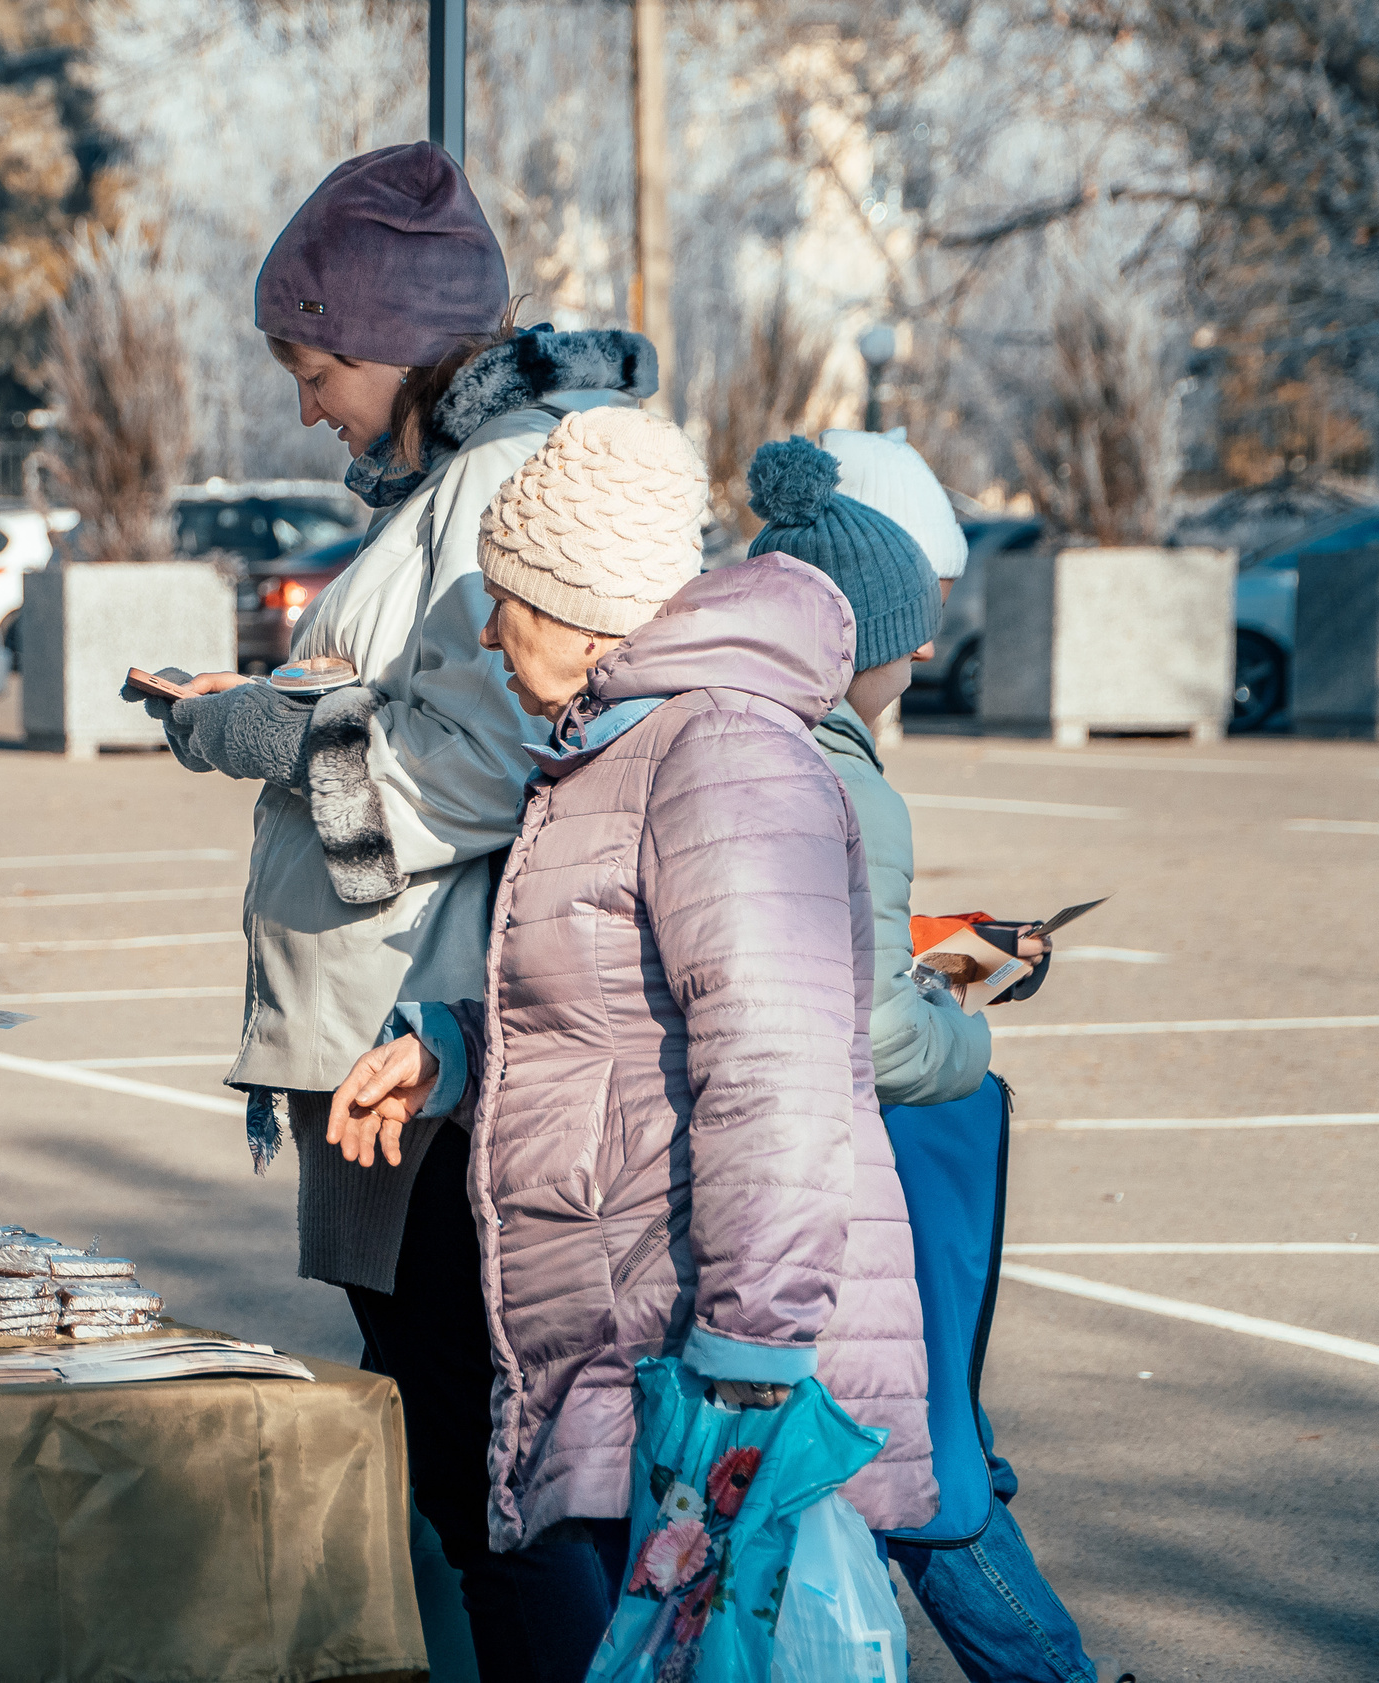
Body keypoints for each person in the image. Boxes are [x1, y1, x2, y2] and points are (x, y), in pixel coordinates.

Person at [125, 140, 660, 1663]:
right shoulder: (461, 472)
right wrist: (286, 710)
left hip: (432, 1044)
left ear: (391, 344)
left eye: (313, 365)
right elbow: (433, 712)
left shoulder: (498, 477)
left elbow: (487, 759)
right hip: (410, 1031)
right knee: (466, 1448)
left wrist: (272, 731)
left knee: (487, 1462)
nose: (305, 403)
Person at [323, 427, 938, 1681]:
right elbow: (613, 1011)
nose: (491, 637)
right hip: (620, 1335)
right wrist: (449, 1049)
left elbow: (781, 1081)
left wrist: (748, 1378)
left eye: (506, 604)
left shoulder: (717, 754)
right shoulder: (620, 746)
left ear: (586, 610)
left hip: (690, 1371)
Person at [748, 433, 1100, 1683]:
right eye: (917, 621)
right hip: (832, 1181)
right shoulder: (842, 773)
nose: (929, 649)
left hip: (756, 1179)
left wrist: (943, 941)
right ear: (859, 639)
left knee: (914, 1449)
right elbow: (880, 1033)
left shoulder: (727, 734)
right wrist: (970, 1025)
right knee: (931, 1462)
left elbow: (824, 936)